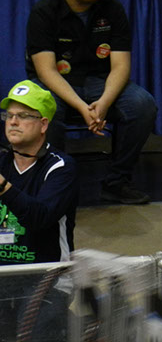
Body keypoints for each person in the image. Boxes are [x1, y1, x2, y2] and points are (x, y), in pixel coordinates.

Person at [25, 0, 157, 204]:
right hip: (57, 85)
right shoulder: (43, 13)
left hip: (100, 83)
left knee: (142, 105)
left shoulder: (112, 9)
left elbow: (121, 66)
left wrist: (104, 102)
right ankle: (55, 184)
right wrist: (83, 107)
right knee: (46, 110)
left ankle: (116, 182)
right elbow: (46, 72)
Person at [0, 79, 77, 341]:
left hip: (47, 279)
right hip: (2, 275)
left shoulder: (61, 168)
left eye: (23, 116)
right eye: (9, 115)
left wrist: (3, 187)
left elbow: (40, 216)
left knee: (36, 334)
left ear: (44, 124)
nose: (13, 122)